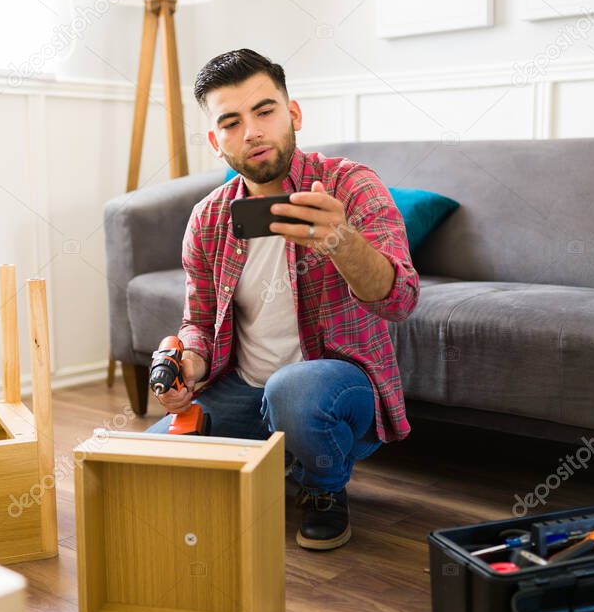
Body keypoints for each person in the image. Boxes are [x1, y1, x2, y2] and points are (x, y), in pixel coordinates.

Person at [146, 48, 420, 551]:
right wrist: (188, 364)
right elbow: (199, 322)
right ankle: (277, 459)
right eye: (231, 121)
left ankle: (321, 487)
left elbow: (400, 300)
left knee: (293, 389)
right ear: (215, 140)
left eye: (265, 111)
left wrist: (342, 240)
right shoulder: (208, 219)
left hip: (333, 389)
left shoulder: (350, 185)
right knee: (144, 465)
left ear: (292, 114)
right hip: (241, 389)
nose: (251, 131)